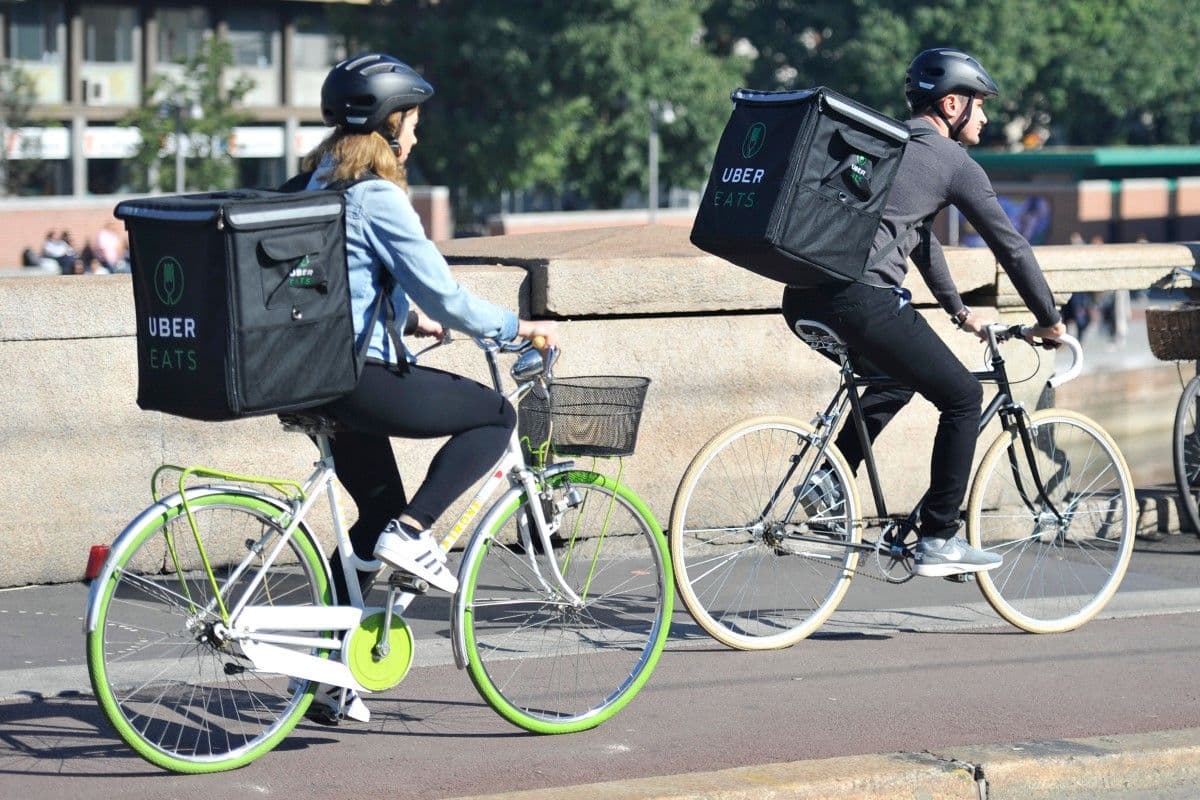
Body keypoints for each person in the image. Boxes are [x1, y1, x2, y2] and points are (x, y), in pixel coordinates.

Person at [296, 53, 558, 722]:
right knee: (494, 416)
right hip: (358, 379)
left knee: (371, 514)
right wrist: (512, 328)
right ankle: (415, 535)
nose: (415, 137)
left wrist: (402, 321)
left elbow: (342, 281)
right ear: (390, 124)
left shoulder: (315, 182)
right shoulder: (377, 194)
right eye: (411, 123)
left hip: (312, 378)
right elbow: (443, 290)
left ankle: (332, 670)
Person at [781, 47, 1065, 578]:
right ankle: (938, 538)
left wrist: (958, 310)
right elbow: (1012, 248)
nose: (985, 116)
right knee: (962, 396)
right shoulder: (954, 162)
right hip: (861, 300)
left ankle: (826, 479)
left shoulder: (889, 142)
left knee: (895, 375)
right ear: (952, 104)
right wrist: (1048, 317)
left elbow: (917, 238)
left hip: (801, 297)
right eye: (979, 105)